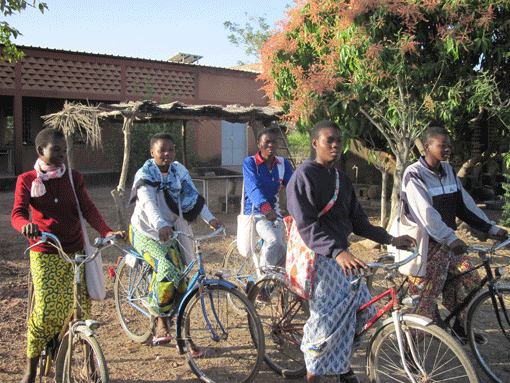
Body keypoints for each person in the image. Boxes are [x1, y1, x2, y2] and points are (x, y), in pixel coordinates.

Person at [286, 121, 415, 383]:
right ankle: (314, 376)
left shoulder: (341, 179)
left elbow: (359, 222)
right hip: (320, 260)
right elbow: (307, 225)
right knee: (325, 326)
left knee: (362, 315)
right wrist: (336, 252)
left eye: (339, 141)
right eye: (329, 140)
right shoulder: (304, 175)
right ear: (315, 144)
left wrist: (390, 238)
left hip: (343, 260)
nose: (335, 146)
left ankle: (342, 366)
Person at [11, 128, 123, 383]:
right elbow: (17, 213)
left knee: (82, 309)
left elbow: (87, 208)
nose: (62, 155)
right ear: (41, 151)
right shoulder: (27, 179)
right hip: (46, 250)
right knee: (47, 311)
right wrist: (25, 226)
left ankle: (88, 363)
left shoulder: (73, 177)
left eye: (65, 150)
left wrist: (106, 231)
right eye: (56, 150)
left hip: (75, 250)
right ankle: (31, 366)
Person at [392, 126, 507, 341]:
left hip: (448, 242)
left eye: (449, 146)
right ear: (427, 147)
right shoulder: (414, 173)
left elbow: (465, 206)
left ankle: (460, 326)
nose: (447, 150)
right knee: (424, 298)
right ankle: (410, 348)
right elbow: (426, 215)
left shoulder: (448, 171)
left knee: (471, 280)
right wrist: (450, 238)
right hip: (427, 246)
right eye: (441, 145)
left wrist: (491, 228)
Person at [129, 132, 222, 346]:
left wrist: (210, 219)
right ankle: (160, 320)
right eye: (162, 150)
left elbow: (192, 195)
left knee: (182, 279)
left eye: (171, 150)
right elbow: (147, 203)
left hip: (169, 231)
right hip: (146, 232)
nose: (167, 154)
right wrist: (160, 224)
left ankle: (182, 331)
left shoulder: (179, 171)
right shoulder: (144, 174)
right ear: (152, 152)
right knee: (168, 270)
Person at [242, 126, 293, 270]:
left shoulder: (283, 164)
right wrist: (265, 207)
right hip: (256, 212)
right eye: (267, 142)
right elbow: (253, 188)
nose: (271, 145)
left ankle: (275, 280)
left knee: (284, 248)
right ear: (258, 144)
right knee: (274, 240)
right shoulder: (250, 163)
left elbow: (293, 187)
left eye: (274, 142)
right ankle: (261, 282)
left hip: (274, 212)